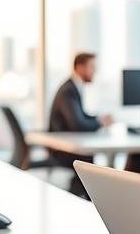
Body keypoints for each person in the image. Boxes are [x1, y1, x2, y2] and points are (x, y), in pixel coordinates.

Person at [48, 52, 113, 197]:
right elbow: (78, 125)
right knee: (88, 166)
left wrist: (98, 119)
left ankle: (81, 194)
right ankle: (81, 197)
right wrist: (100, 122)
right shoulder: (68, 90)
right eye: (92, 67)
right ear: (80, 67)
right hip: (62, 149)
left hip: (68, 144)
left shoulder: (73, 87)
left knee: (89, 168)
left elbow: (80, 116)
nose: (95, 71)